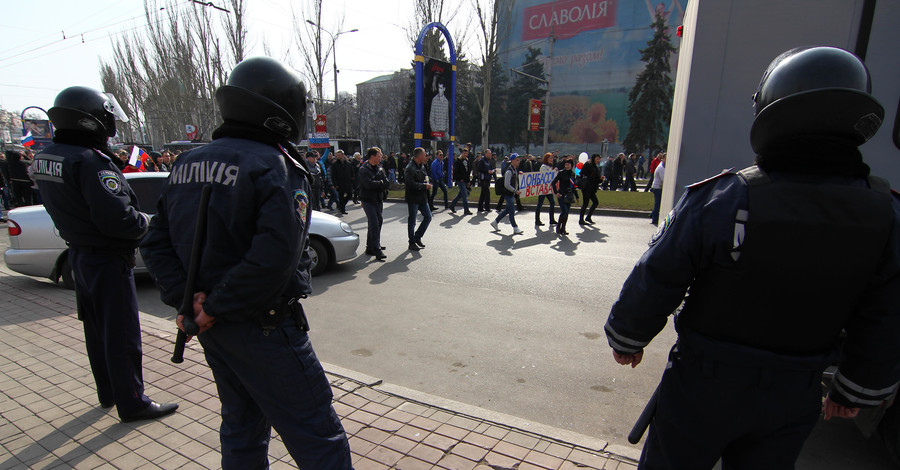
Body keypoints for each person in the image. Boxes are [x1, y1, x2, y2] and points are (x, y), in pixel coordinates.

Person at [604, 46, 900, 469]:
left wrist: (628, 336)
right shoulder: (885, 212)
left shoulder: (726, 196)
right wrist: (857, 389)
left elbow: (660, 272)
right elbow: (888, 313)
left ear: (771, 108)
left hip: (704, 382)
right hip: (795, 390)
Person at [140, 57, 352, 469]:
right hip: (263, 325)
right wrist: (212, 308)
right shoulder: (276, 165)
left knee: (242, 426)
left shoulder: (187, 162)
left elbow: (155, 241)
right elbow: (274, 260)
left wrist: (190, 304)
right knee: (317, 433)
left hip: (212, 327)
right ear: (281, 109)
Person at [30, 86, 177, 423]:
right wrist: (149, 222)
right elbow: (120, 221)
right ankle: (133, 402)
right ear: (91, 120)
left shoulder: (49, 156)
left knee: (96, 330)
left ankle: (109, 392)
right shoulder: (91, 162)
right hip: (107, 259)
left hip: (80, 254)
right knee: (121, 332)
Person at [359, 147, 390, 261]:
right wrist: (380, 183)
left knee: (378, 222)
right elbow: (368, 185)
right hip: (368, 200)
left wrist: (379, 184)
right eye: (379, 155)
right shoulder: (363, 170)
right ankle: (377, 249)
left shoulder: (380, 169)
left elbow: (386, 183)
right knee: (374, 223)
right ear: (372, 157)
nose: (381, 157)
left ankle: (370, 246)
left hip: (378, 199)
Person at [489, 153, 524, 235]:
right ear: (512, 161)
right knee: (512, 211)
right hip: (508, 193)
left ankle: (495, 222)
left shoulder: (514, 169)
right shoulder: (509, 171)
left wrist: (519, 173)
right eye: (517, 160)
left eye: (519, 160)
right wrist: (515, 191)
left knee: (508, 210)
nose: (519, 161)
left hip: (511, 193)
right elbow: (507, 184)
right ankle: (515, 227)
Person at [405, 147, 433, 251]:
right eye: (424, 154)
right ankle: (411, 242)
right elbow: (409, 183)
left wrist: (428, 183)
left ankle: (417, 237)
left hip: (422, 197)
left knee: (428, 217)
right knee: (412, 220)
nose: (426, 156)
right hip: (413, 197)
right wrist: (423, 186)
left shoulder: (421, 166)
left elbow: (424, 178)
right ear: (419, 156)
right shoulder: (410, 167)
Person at [552, 158, 579, 235]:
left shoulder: (572, 174)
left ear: (571, 165)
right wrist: (556, 192)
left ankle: (563, 228)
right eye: (565, 164)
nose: (567, 166)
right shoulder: (561, 173)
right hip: (561, 195)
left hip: (569, 195)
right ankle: (558, 227)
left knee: (567, 213)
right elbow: (553, 183)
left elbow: (573, 186)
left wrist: (577, 196)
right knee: (564, 211)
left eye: (568, 164)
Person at [579, 154, 602, 225]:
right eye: (597, 159)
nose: (598, 160)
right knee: (585, 203)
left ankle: (588, 217)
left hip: (592, 188)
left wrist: (601, 179)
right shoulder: (588, 165)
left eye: (599, 159)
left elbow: (596, 179)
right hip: (586, 187)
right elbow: (582, 173)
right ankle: (581, 219)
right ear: (593, 159)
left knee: (595, 202)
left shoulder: (596, 167)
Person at [535, 153, 557, 226]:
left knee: (552, 202)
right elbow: (547, 177)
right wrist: (554, 171)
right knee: (540, 204)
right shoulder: (543, 167)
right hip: (543, 188)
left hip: (548, 188)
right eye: (550, 158)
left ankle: (552, 219)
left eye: (552, 158)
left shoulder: (550, 167)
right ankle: (537, 220)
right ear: (546, 159)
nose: (551, 160)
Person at [449, 148, 472, 215]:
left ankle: (452, 205)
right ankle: (466, 209)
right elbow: (456, 171)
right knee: (465, 194)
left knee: (460, 194)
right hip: (460, 180)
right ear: (462, 153)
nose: (465, 155)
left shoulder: (467, 161)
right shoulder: (458, 161)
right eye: (464, 153)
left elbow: (468, 171)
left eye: (466, 153)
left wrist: (468, 181)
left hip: (465, 180)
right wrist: (459, 178)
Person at [330, 150, 354, 214]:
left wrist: (352, 179)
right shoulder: (335, 165)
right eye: (337, 156)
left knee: (349, 195)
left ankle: (341, 205)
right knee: (341, 196)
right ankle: (342, 209)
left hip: (348, 182)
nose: (338, 157)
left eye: (340, 155)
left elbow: (352, 172)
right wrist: (335, 184)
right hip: (339, 183)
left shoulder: (348, 163)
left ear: (343, 155)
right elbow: (333, 175)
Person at [649, 153, 666, 226]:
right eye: (666, 158)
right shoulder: (661, 167)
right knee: (658, 204)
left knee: (658, 203)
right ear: (663, 159)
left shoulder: (662, 166)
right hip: (657, 187)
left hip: (657, 187)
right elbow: (663, 179)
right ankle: (654, 219)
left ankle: (652, 215)